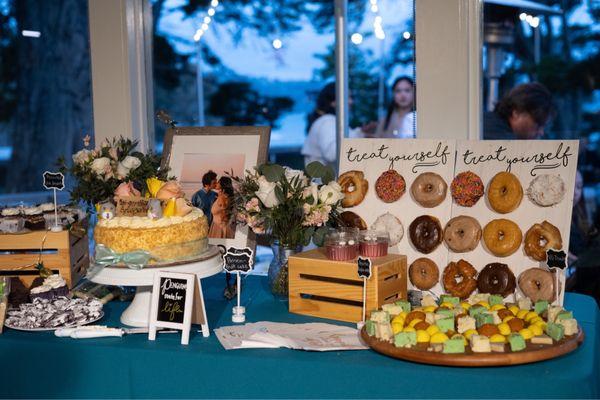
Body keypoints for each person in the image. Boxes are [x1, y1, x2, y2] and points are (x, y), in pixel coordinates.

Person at [301, 82, 377, 168]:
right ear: (333, 102)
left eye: (351, 97)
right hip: (327, 181)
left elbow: (341, 139)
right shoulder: (327, 122)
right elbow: (332, 153)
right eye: (347, 97)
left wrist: (360, 133)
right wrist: (363, 144)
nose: (351, 102)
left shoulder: (330, 121)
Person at [483, 82, 556, 140]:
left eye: (543, 127)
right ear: (516, 113)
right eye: (537, 124)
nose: (541, 132)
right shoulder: (502, 140)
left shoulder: (487, 122)